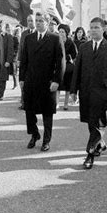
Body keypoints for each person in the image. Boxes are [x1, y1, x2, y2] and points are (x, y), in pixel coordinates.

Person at [70, 17, 107, 169]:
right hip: (86, 90)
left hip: (103, 92)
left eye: (96, 27)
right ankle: (100, 143)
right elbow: (77, 71)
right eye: (91, 27)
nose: (93, 30)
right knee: (91, 122)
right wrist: (73, 91)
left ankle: (89, 154)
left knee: (97, 122)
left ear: (103, 29)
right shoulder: (84, 47)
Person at [19, 11, 64, 152]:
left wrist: (56, 81)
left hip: (48, 82)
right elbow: (24, 60)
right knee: (29, 111)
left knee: (47, 113)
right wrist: (21, 79)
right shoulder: (29, 38)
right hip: (31, 80)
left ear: (47, 22)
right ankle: (34, 134)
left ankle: (46, 140)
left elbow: (60, 62)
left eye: (40, 21)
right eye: (36, 20)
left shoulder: (55, 39)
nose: (38, 23)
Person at [57, 24, 77, 110]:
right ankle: (56, 103)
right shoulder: (56, 41)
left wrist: (67, 57)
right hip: (59, 67)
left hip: (68, 67)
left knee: (67, 87)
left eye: (63, 32)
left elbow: (75, 54)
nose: (61, 33)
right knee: (57, 86)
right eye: (60, 31)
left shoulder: (70, 42)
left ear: (66, 33)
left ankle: (65, 104)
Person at [18, 14, 35, 110]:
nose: (30, 23)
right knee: (22, 82)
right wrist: (19, 59)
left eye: (31, 21)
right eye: (28, 21)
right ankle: (23, 102)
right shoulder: (24, 33)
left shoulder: (38, 33)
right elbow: (21, 47)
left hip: (33, 63)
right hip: (24, 62)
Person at [0, 20, 14, 101]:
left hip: (4, 61)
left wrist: (8, 61)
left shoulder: (8, 36)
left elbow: (10, 50)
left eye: (0, 26)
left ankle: (1, 95)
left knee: (3, 79)